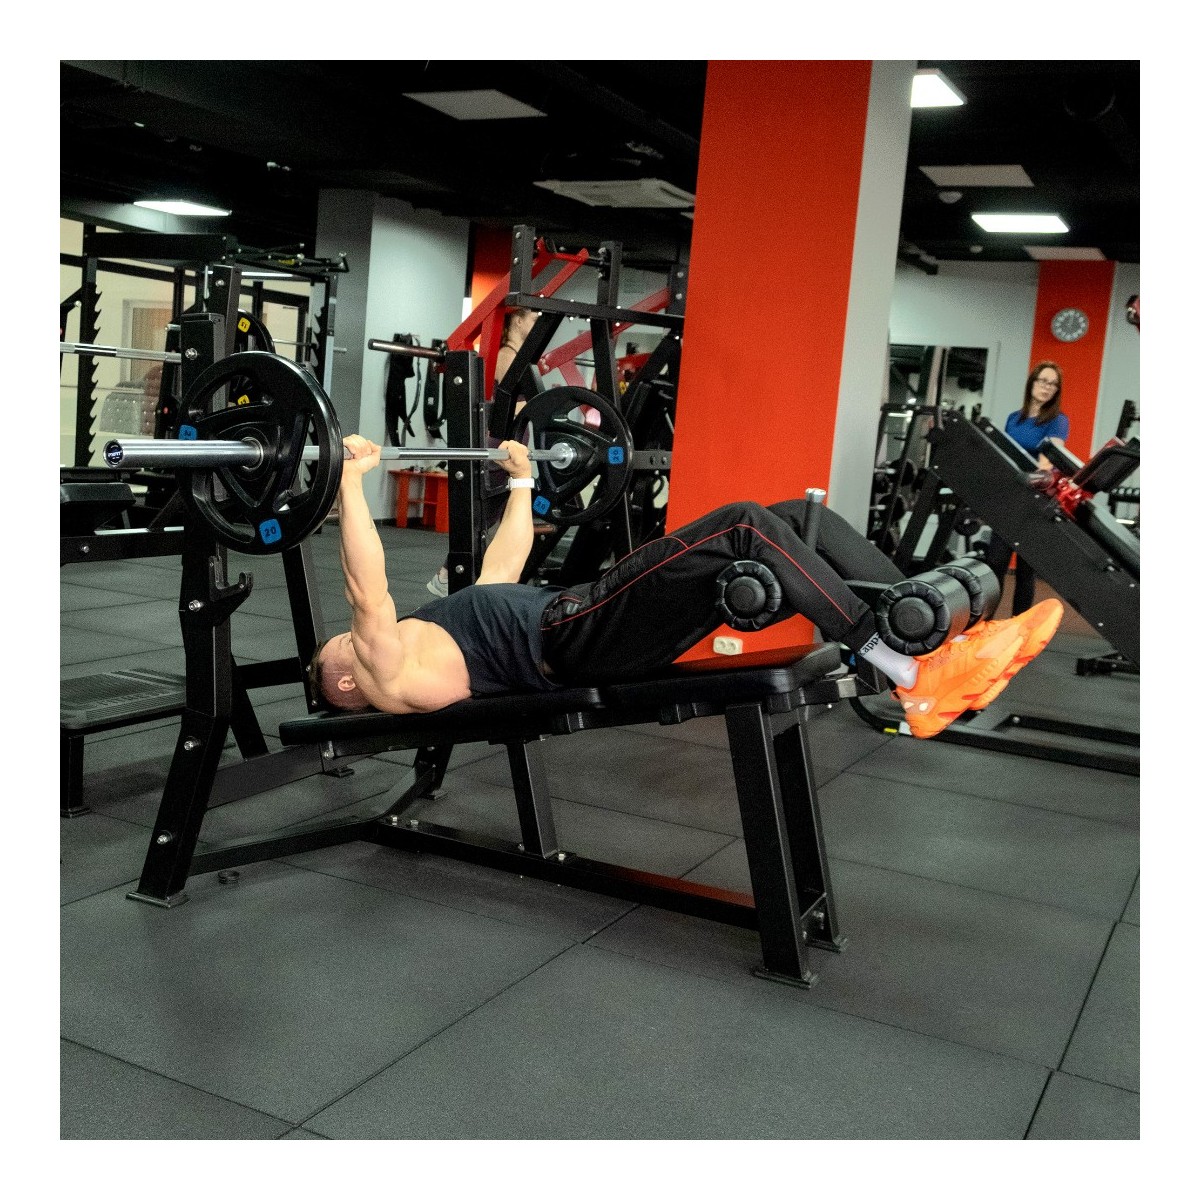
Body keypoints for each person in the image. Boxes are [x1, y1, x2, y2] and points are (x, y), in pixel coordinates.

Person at [311, 435, 1063, 740]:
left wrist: (522, 482)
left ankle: (937, 639)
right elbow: (366, 590)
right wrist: (348, 482)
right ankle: (908, 670)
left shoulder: (430, 636)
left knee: (789, 516)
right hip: (578, 634)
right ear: (343, 677)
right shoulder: (384, 670)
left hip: (587, 625)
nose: (346, 635)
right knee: (741, 523)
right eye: (337, 643)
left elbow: (500, 573)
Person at [427, 306, 539, 597]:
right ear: (517, 320)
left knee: (495, 516)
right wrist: (542, 405)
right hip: (499, 448)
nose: (536, 322)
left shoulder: (517, 357)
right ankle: (446, 575)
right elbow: (514, 408)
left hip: (510, 447)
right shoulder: (507, 356)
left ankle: (461, 576)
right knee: (484, 518)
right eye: (533, 318)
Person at [982, 361, 1069, 616]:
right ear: (1032, 383)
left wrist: (1029, 476)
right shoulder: (1014, 418)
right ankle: (985, 623)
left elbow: (1047, 462)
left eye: (1053, 384)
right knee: (995, 562)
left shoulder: (1058, 421)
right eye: (1043, 381)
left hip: (1035, 500)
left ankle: (1020, 627)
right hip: (1009, 497)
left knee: (1025, 570)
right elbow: (1004, 454)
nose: (1047, 387)